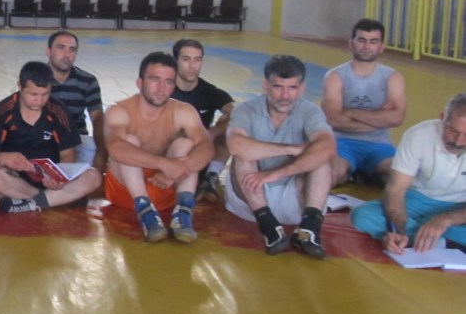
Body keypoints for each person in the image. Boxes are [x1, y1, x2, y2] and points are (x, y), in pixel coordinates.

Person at [226, 55, 336, 259]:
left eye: (292, 88)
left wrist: (279, 172)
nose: (285, 96)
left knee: (321, 156)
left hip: (296, 197)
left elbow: (328, 147)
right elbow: (235, 145)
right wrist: (292, 149)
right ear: (265, 86)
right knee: (242, 154)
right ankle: (269, 228)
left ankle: (309, 229)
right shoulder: (246, 109)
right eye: (278, 87)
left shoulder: (310, 111)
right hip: (251, 198)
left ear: (302, 89)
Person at [103, 52, 214, 243]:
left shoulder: (183, 111)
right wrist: (164, 164)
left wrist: (174, 171)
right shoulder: (119, 110)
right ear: (140, 83)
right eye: (155, 79)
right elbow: (115, 149)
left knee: (186, 144)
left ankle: (183, 211)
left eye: (168, 82)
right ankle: (144, 210)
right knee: (128, 141)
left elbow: (207, 147)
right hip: (125, 192)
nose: (162, 88)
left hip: (165, 187)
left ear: (174, 85)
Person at [351, 93, 466, 253]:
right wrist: (398, 231)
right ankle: (440, 241)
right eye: (452, 130)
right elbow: (395, 190)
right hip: (417, 199)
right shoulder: (419, 135)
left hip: (461, 207)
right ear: (442, 118)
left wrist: (444, 220)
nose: (458, 141)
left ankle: (430, 236)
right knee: (362, 216)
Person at [0, 62, 101, 213]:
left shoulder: (58, 111)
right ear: (20, 87)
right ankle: (54, 199)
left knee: (94, 176)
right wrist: (4, 158)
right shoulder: (3, 111)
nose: (39, 101)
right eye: (33, 94)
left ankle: (29, 203)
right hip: (16, 178)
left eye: (45, 94)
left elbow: (68, 154)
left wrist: (59, 178)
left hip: (49, 178)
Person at [321, 18, 406, 186]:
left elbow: (397, 118)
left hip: (379, 146)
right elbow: (333, 120)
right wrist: (380, 119)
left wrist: (350, 112)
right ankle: (353, 173)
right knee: (329, 175)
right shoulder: (335, 76)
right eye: (361, 40)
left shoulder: (392, 77)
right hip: (341, 143)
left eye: (373, 41)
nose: (367, 46)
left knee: (400, 179)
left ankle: (366, 173)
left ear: (381, 46)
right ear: (351, 43)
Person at [170, 39, 235, 202]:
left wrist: (211, 133)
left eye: (197, 60)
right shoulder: (165, 90)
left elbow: (237, 111)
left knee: (230, 122)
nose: (192, 66)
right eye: (186, 59)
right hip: (172, 152)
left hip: (202, 150)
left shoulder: (208, 91)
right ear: (175, 61)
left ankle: (211, 176)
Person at [46, 30, 108, 173]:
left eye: (72, 49)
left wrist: (101, 153)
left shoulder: (88, 81)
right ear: (49, 51)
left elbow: (97, 118)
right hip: (43, 138)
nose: (67, 54)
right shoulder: (36, 79)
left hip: (78, 139)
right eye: (61, 48)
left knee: (114, 153)